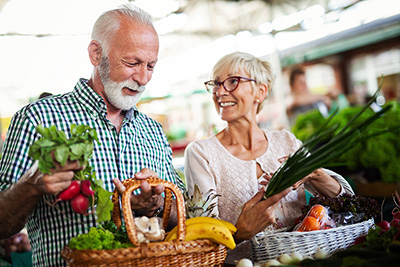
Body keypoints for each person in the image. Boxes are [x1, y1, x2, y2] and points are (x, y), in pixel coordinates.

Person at [0, 4, 184, 266]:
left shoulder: (152, 130)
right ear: (96, 54)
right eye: (132, 63)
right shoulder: (37, 119)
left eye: (151, 66)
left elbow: (184, 214)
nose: (143, 78)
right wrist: (31, 186)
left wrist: (155, 204)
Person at [184, 52, 354, 265]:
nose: (219, 92)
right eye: (216, 84)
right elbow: (202, 238)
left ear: (260, 92)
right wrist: (240, 232)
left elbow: (350, 203)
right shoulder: (201, 153)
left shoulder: (287, 142)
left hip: (307, 260)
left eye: (232, 82)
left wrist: (316, 174)